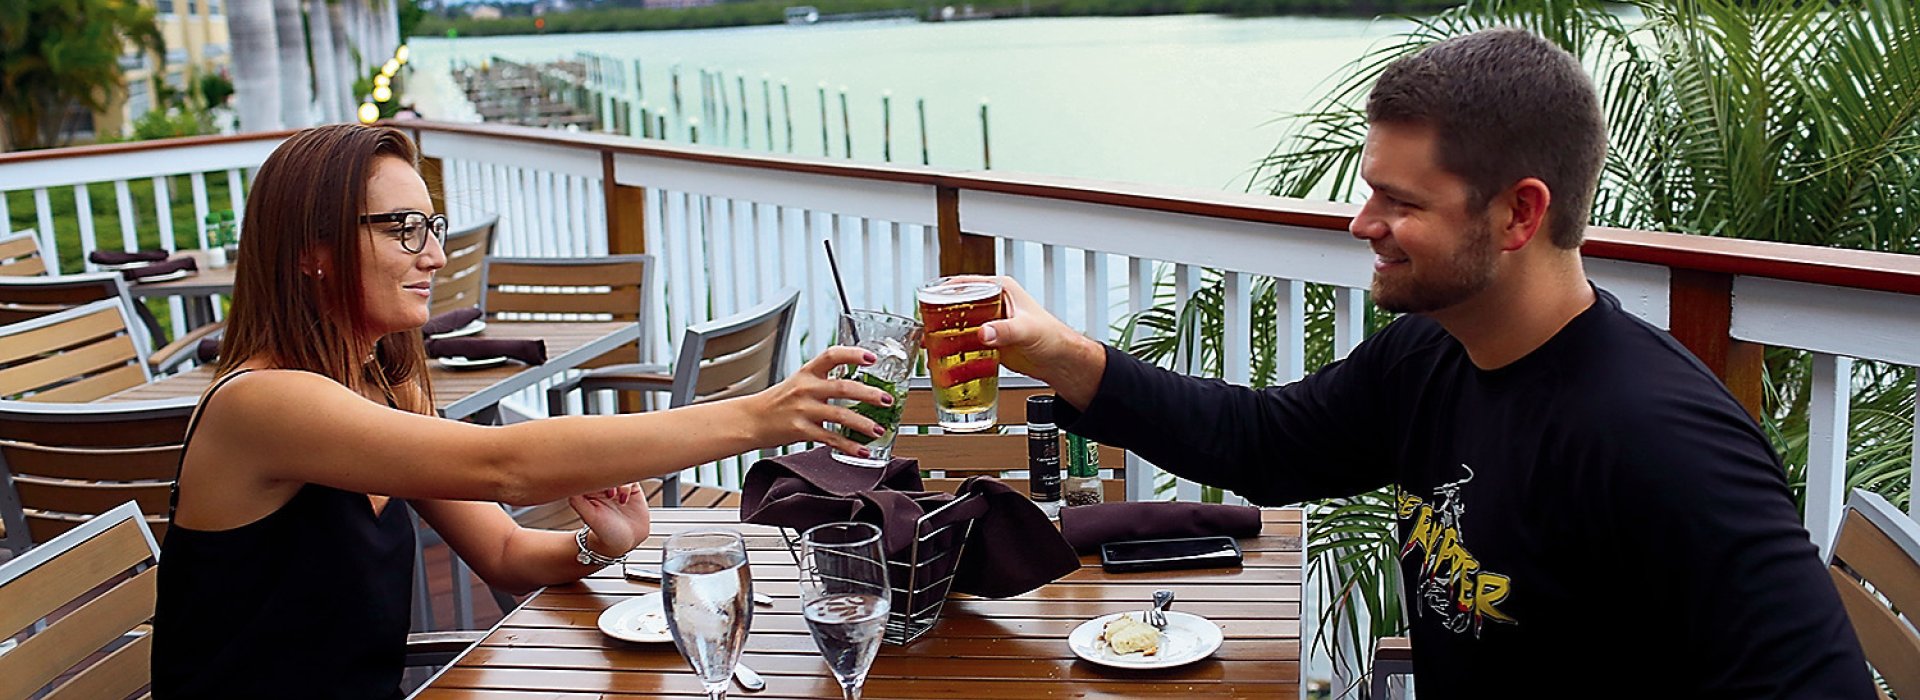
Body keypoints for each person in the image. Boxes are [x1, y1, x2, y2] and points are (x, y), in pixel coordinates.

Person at [974, 29, 1875, 697]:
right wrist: (1063, 354)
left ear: (1520, 214)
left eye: (1398, 200)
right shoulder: (1431, 355)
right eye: (1371, 189)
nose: (1362, 224)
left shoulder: (1660, 440)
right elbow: (1262, 444)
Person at [151, 124, 895, 698]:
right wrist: (761, 415)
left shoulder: (378, 385)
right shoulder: (264, 404)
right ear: (312, 250)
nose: (435, 256)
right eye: (404, 229)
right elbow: (506, 467)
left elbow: (505, 554)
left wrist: (599, 545)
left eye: (432, 228)